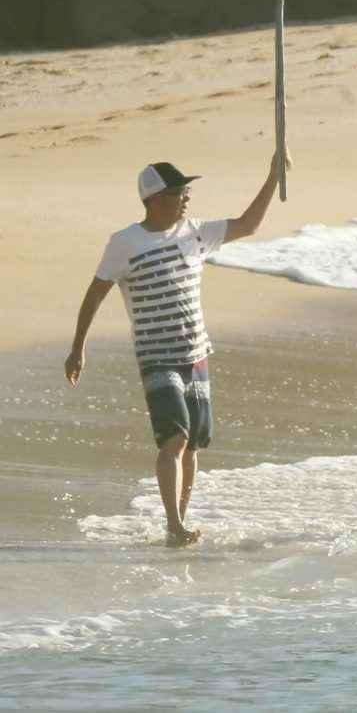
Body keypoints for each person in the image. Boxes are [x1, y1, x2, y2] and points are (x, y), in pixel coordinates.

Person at [65, 152, 290, 546]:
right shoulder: (125, 243)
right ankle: (173, 524)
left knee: (193, 444)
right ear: (154, 198)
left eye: (186, 191)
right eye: (178, 192)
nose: (186, 198)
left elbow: (249, 224)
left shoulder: (195, 232)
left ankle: (179, 520)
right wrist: (77, 347)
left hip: (196, 354)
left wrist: (273, 177)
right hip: (156, 355)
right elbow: (95, 294)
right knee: (175, 438)